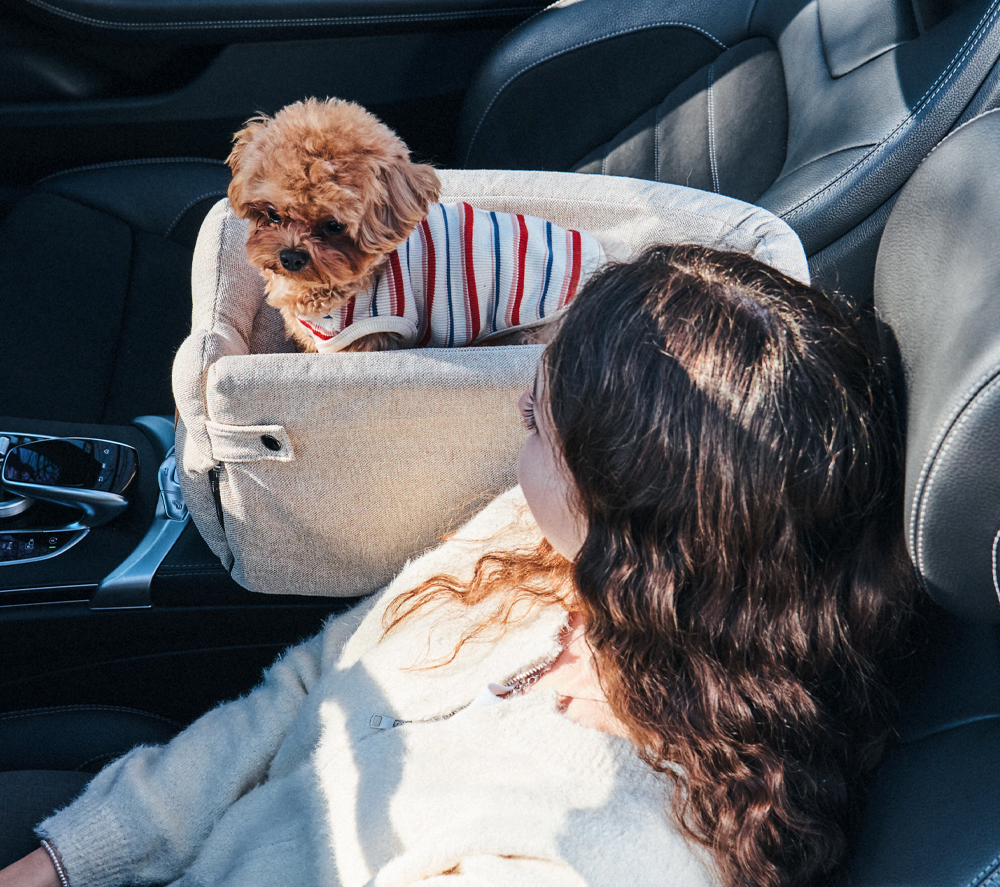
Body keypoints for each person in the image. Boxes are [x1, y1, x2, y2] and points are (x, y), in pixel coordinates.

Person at [0, 245, 917, 887]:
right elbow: (308, 686)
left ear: (629, 533)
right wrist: (77, 855)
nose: (520, 409)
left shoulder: (586, 853)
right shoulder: (531, 547)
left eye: (537, 425)